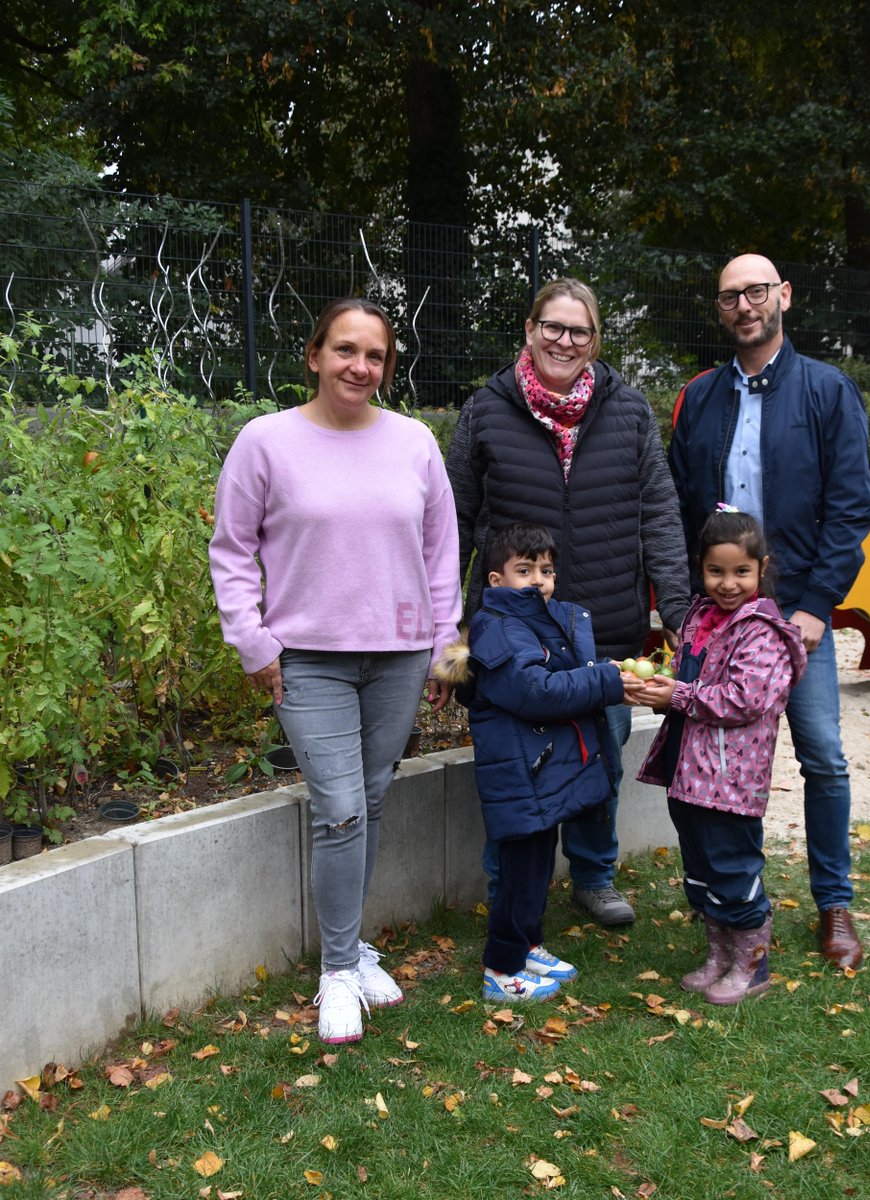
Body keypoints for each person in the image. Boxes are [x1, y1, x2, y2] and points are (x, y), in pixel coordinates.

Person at [208, 298, 462, 1044]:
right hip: (308, 658)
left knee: (371, 799)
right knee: (342, 805)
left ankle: (352, 948)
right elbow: (230, 547)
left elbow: (441, 553)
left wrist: (446, 643)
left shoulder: (415, 443)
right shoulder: (266, 442)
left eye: (375, 355)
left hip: (399, 653)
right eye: (345, 350)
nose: (360, 367)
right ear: (314, 354)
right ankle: (339, 972)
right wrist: (252, 641)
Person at [446, 277, 690, 927]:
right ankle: (510, 892)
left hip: (603, 626)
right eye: (552, 326)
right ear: (529, 330)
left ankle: (594, 877)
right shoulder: (487, 410)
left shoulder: (629, 411)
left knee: (599, 764)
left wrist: (683, 616)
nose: (564, 340)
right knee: (516, 769)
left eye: (578, 330)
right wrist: (450, 636)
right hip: (512, 636)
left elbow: (661, 518)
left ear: (595, 341)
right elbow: (450, 525)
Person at [669, 253, 870, 969]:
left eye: (757, 291)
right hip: (718, 620)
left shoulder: (826, 390)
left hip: (794, 622)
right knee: (715, 762)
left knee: (822, 757)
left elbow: (849, 512)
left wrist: (816, 606)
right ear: (720, 308)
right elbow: (676, 508)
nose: (745, 305)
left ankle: (834, 904)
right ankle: (730, 909)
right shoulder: (698, 399)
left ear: (783, 295)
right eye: (730, 296)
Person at [435, 523, 633, 1001]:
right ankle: (501, 969)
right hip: (519, 775)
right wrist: (608, 680)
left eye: (546, 570)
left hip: (540, 770)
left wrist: (604, 672)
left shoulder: (538, 621)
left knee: (538, 867)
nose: (539, 580)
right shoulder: (497, 628)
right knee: (519, 873)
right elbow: (534, 692)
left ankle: (529, 945)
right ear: (497, 582)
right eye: (524, 570)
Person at [635, 508, 806, 1004]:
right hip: (688, 769)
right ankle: (719, 955)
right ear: (701, 567)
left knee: (733, 868)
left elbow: (744, 698)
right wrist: (657, 682)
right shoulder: (699, 617)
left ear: (761, 568)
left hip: (731, 777)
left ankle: (752, 965)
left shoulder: (762, 630)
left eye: (740, 572)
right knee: (702, 867)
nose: (728, 584)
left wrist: (678, 696)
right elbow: (691, 675)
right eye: (716, 571)